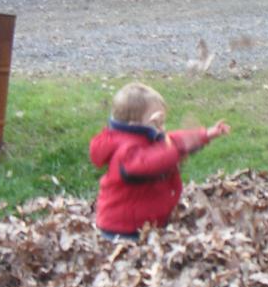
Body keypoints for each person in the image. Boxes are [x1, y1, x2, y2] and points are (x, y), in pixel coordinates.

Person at [90, 82, 230, 240]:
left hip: (145, 222)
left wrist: (204, 135)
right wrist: (176, 150)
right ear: (135, 125)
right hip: (123, 229)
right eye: (157, 123)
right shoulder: (126, 150)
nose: (163, 128)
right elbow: (148, 163)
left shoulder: (146, 138)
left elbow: (173, 140)